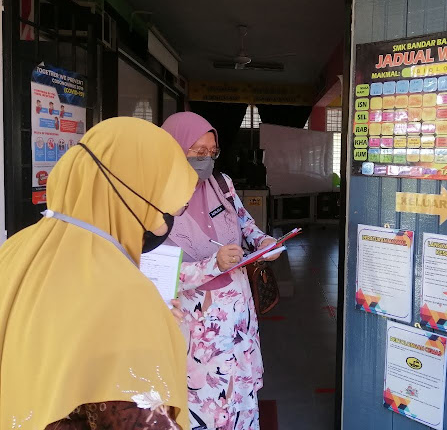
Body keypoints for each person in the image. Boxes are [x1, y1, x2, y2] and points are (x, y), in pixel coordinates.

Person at [0, 117, 198, 429]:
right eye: (172, 204)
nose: (172, 216)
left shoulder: (14, 249)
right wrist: (156, 330)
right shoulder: (125, 294)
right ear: (137, 195)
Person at [162, 111, 281, 430]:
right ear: (174, 148)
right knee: (205, 402)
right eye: (198, 151)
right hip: (198, 324)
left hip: (238, 313)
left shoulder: (221, 183)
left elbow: (245, 222)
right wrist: (213, 264)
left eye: (211, 152)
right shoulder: (155, 199)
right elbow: (156, 273)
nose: (206, 160)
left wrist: (263, 241)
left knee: (240, 394)